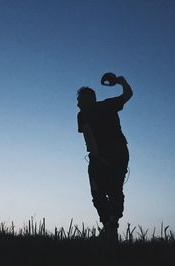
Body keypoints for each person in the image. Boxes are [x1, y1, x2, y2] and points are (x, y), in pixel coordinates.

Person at [77, 73, 133, 242]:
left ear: (86, 100)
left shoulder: (83, 114)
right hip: (121, 153)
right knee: (115, 190)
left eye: (79, 100)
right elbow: (128, 94)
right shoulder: (109, 104)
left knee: (98, 192)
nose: (77, 103)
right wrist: (121, 81)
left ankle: (108, 227)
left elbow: (88, 136)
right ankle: (112, 225)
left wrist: (98, 157)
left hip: (103, 154)